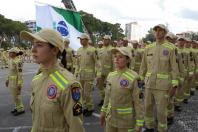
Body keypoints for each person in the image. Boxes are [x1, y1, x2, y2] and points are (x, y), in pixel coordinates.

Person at [20, 28, 85, 132]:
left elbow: (76, 126)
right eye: (33, 44)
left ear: (54, 50)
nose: (33, 50)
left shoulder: (68, 84)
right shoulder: (36, 79)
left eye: (39, 45)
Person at [139, 24, 179, 132]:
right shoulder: (148, 47)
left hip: (163, 86)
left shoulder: (171, 48)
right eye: (156, 30)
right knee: (147, 107)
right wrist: (140, 79)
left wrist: (175, 84)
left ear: (165, 33)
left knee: (161, 111)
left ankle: (162, 128)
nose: (157, 32)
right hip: (148, 84)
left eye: (161, 30)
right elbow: (143, 65)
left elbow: (175, 68)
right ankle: (149, 126)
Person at [100, 47, 144, 132]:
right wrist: (103, 111)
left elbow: (138, 102)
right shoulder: (111, 75)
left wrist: (139, 123)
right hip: (110, 119)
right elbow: (107, 97)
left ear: (128, 60)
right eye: (115, 56)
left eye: (120, 57)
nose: (116, 59)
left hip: (126, 122)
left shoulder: (134, 77)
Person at [75, 33, 98, 116]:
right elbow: (77, 63)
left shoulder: (92, 50)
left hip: (89, 76)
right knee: (81, 93)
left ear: (87, 40)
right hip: (81, 75)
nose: (80, 41)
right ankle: (85, 107)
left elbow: (97, 63)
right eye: (80, 39)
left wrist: (98, 74)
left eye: (82, 39)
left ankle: (90, 108)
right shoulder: (79, 50)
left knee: (87, 93)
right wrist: (76, 73)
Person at [6, 47, 25, 116]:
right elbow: (10, 72)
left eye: (10, 52)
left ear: (14, 53)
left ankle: (21, 109)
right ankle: (17, 107)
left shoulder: (18, 61)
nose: (9, 53)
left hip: (16, 81)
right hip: (11, 81)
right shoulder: (11, 60)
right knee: (14, 96)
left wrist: (19, 83)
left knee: (17, 96)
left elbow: (20, 73)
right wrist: (7, 80)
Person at [96, 35, 114, 106]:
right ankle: (103, 98)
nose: (104, 41)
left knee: (109, 87)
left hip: (109, 72)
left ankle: (109, 100)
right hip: (101, 71)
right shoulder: (100, 49)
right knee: (100, 86)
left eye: (106, 40)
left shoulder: (112, 49)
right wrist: (96, 71)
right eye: (104, 39)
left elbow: (114, 62)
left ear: (109, 41)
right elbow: (98, 61)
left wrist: (114, 72)